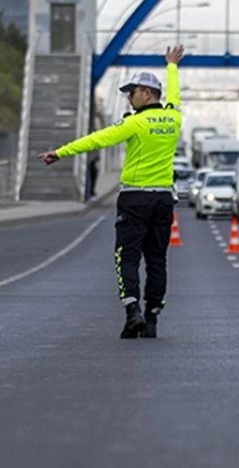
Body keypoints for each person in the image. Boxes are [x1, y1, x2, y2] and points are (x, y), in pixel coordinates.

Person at [38, 45, 185, 339]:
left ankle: (132, 312)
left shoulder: (134, 123)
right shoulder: (174, 118)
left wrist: (60, 152)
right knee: (157, 259)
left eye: (132, 93)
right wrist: (172, 66)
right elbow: (175, 95)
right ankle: (153, 316)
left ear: (147, 93)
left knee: (126, 257)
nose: (129, 98)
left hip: (135, 199)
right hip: (163, 199)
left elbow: (97, 140)